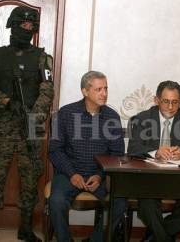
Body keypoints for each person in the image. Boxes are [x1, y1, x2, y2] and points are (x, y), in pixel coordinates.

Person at [49, 71, 127, 242]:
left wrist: (100, 176)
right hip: (69, 173)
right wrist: (72, 174)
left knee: (120, 202)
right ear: (85, 91)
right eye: (98, 89)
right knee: (56, 201)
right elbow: (55, 150)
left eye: (106, 88)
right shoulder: (66, 113)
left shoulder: (112, 117)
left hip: (99, 174)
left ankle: (94, 240)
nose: (104, 93)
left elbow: (117, 154)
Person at [0, 6, 54, 242]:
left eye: (31, 26)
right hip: (2, 126)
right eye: (23, 25)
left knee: (31, 179)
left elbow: (47, 90)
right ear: (13, 24)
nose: (27, 29)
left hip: (31, 124)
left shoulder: (43, 58)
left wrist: (34, 116)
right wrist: (4, 101)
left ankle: (26, 228)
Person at [127, 80, 180, 242]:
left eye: (175, 102)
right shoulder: (143, 118)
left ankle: (153, 238)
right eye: (166, 101)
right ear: (156, 100)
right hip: (150, 179)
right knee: (147, 204)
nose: (170, 107)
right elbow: (133, 149)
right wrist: (155, 153)